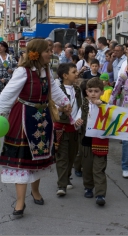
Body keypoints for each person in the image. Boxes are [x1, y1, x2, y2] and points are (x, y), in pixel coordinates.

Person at [0, 39, 71, 217]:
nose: (51, 53)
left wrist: (65, 103)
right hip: (23, 117)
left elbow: (54, 89)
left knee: (37, 158)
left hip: (43, 118)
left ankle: (35, 191)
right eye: (47, 50)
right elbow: (8, 94)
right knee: (22, 161)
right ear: (36, 53)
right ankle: (20, 202)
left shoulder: (46, 71)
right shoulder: (22, 72)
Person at [74, 77, 108, 206]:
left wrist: (102, 107)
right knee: (87, 168)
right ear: (86, 92)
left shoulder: (106, 107)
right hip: (86, 142)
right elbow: (77, 122)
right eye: (90, 91)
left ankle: (100, 194)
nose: (93, 94)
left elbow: (112, 122)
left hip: (100, 142)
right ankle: (88, 187)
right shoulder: (83, 106)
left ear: (102, 92)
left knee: (99, 169)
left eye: (96, 91)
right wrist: (77, 123)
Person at [54, 63, 82, 196]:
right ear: (65, 76)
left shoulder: (78, 89)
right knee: (62, 156)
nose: (77, 73)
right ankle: (61, 185)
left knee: (72, 155)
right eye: (74, 72)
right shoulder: (58, 89)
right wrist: (60, 109)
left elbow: (82, 106)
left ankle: (67, 177)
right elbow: (53, 107)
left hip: (75, 128)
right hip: (62, 128)